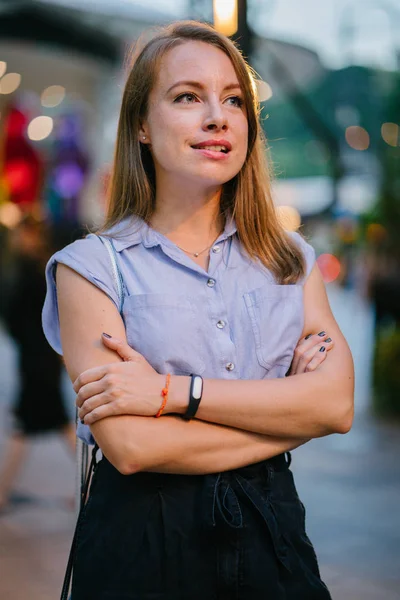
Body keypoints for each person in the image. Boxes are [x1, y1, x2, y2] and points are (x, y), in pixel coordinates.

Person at [42, 21, 354, 600]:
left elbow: (335, 406)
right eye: (188, 97)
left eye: (233, 100)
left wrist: (171, 394)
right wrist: (287, 423)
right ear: (140, 123)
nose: (218, 117)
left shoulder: (288, 260)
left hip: (273, 534)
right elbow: (133, 449)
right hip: (143, 543)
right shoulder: (89, 267)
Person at [0, 216, 75, 512]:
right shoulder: (24, 266)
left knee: (38, 424)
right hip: (34, 358)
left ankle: (3, 491)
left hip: (39, 360)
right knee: (50, 425)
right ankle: (89, 485)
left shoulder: (37, 269)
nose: (19, 239)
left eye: (23, 233)